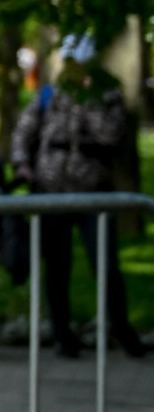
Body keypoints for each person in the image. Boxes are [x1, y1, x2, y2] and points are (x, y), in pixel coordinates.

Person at [9, 36, 146, 358]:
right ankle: (62, 335)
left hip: (92, 192)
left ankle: (121, 329)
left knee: (106, 265)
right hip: (51, 189)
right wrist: (22, 164)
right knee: (57, 266)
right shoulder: (48, 95)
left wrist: (88, 99)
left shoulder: (106, 95)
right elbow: (23, 132)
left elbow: (110, 135)